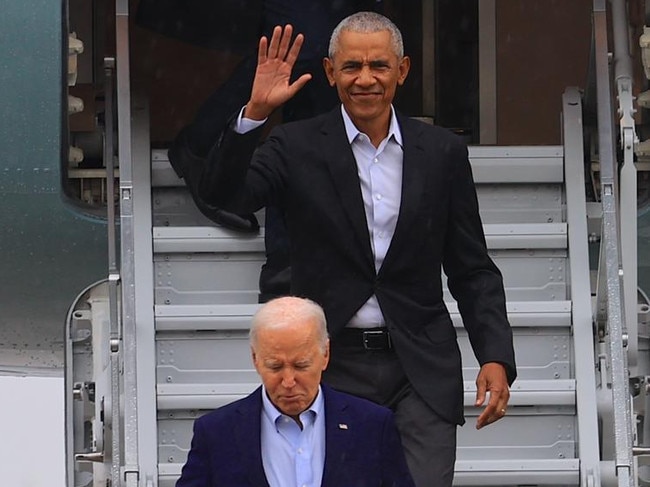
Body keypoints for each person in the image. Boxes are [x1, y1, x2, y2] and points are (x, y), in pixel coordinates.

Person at [196, 11, 517, 487]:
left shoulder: (441, 152)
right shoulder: (294, 144)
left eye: (379, 66)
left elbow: (472, 267)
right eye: (351, 67)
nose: (365, 79)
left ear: (402, 70)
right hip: (332, 369)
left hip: (419, 369)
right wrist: (256, 115)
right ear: (330, 73)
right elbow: (226, 195)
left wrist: (495, 356)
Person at [176, 296, 415, 487]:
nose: (289, 381)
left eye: (301, 365)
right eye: (275, 366)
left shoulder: (372, 425)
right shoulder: (216, 432)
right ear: (255, 359)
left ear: (325, 355)